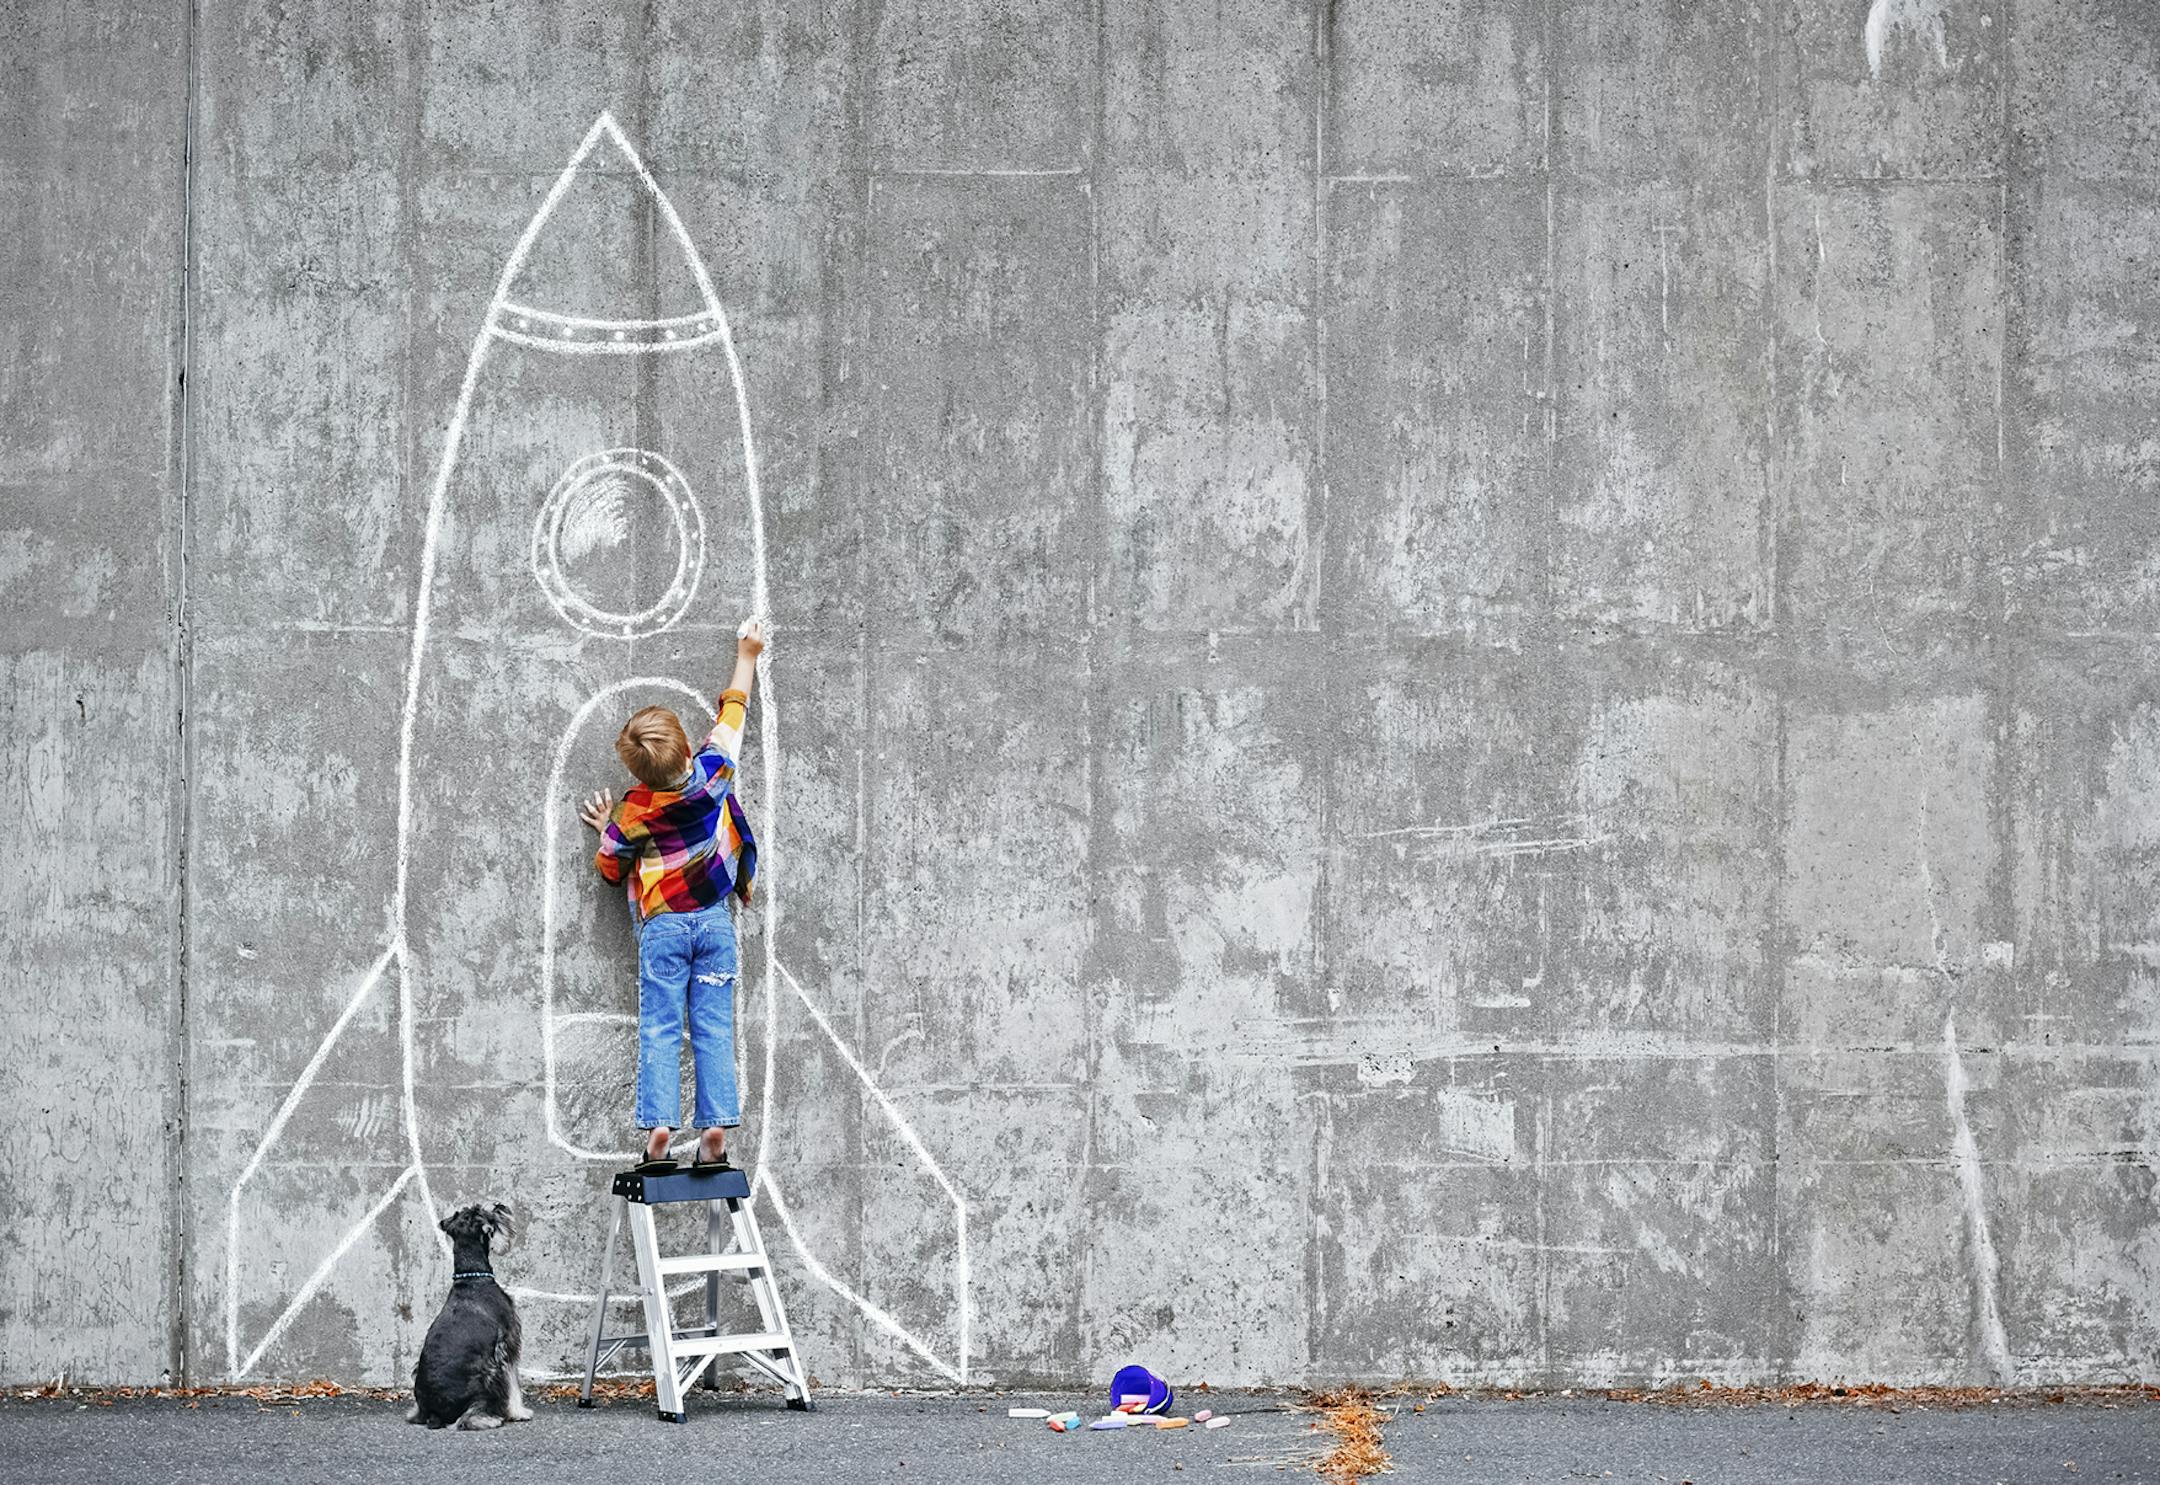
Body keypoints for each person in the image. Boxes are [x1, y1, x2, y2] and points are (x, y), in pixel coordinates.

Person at [577, 618, 764, 1172]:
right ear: (687, 747)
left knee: (660, 1029)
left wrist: (607, 828)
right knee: (713, 1027)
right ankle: (715, 1129)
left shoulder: (634, 811)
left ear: (637, 773)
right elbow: (734, 713)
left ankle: (660, 1127)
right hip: (714, 924)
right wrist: (747, 654)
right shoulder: (713, 773)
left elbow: (610, 867)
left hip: (663, 929)